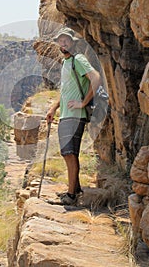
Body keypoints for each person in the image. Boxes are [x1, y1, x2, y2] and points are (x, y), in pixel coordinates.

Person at [46, 27, 101, 205]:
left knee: (69, 153)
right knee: (68, 153)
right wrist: (53, 108)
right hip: (66, 115)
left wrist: (83, 103)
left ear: (72, 43)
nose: (63, 43)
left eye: (66, 40)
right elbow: (65, 92)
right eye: (60, 41)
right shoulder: (66, 63)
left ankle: (71, 196)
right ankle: (74, 190)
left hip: (75, 115)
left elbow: (96, 77)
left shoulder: (78, 59)